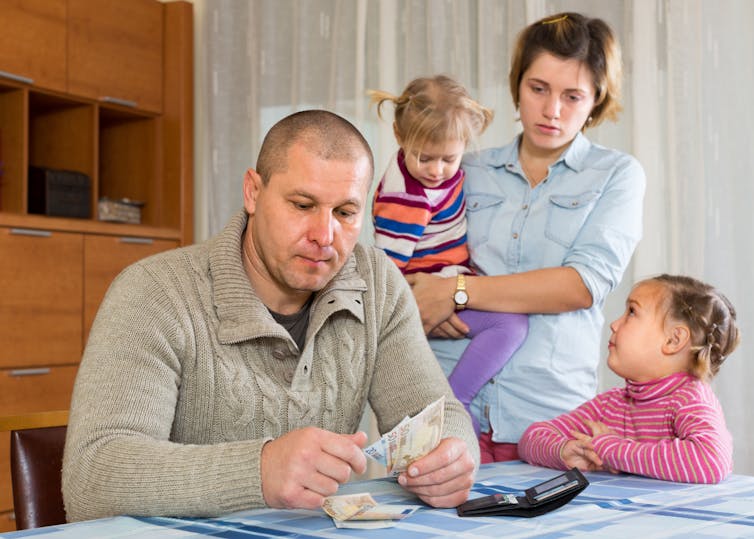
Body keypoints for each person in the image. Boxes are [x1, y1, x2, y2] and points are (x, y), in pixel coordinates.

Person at [62, 110, 479, 522]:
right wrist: (258, 471)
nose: (324, 235)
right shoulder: (154, 292)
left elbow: (440, 417)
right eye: (302, 204)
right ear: (253, 193)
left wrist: (452, 457)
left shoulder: (378, 283)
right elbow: (92, 477)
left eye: (345, 213)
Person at [407, 12, 646, 463]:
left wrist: (454, 292)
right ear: (517, 84)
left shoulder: (617, 176)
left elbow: (580, 286)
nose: (552, 110)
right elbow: (410, 253)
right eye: (538, 89)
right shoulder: (466, 168)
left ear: (596, 100)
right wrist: (423, 300)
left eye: (572, 96)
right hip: (441, 402)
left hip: (547, 421)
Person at [369, 75, 528, 435]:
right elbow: (388, 269)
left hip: (448, 278)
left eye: (449, 159)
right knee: (511, 324)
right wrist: (415, 313)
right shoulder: (405, 200)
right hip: (429, 287)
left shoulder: (434, 173)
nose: (437, 170)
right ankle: (457, 399)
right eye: (425, 158)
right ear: (398, 136)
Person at [519, 274, 740, 484]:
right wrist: (564, 451)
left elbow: (710, 460)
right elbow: (531, 438)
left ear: (674, 340)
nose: (614, 324)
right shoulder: (610, 405)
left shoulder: (690, 398)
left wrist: (611, 449)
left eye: (632, 312)